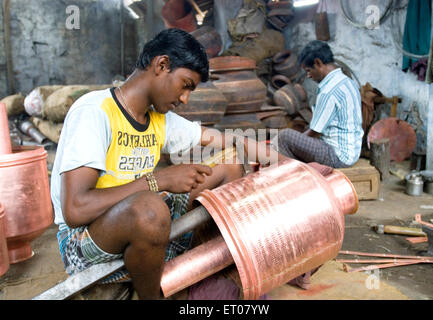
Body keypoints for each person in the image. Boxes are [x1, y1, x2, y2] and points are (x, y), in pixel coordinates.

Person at [50, 28, 287, 300]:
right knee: (150, 210)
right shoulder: (94, 112)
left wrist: (284, 163)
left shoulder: (159, 119)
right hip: (85, 241)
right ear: (161, 65)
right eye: (185, 85)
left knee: (229, 167)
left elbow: (229, 141)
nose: (185, 99)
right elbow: (75, 209)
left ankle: (198, 272)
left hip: (136, 217)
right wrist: (158, 181)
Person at [273, 40, 364, 168]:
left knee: (284, 136)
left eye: (309, 70)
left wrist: (295, 142)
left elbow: (315, 132)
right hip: (352, 152)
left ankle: (294, 174)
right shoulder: (347, 81)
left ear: (318, 63)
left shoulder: (329, 91)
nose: (309, 76)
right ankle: (296, 169)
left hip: (337, 155)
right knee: (294, 140)